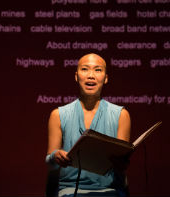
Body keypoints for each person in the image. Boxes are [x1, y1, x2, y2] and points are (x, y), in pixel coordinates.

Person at [45, 53, 131, 197]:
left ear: (106, 78)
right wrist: (55, 156)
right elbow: (49, 161)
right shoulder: (58, 115)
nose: (91, 75)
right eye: (85, 69)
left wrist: (121, 162)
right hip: (70, 190)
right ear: (76, 76)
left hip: (109, 190)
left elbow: (123, 165)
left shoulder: (121, 115)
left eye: (98, 70)